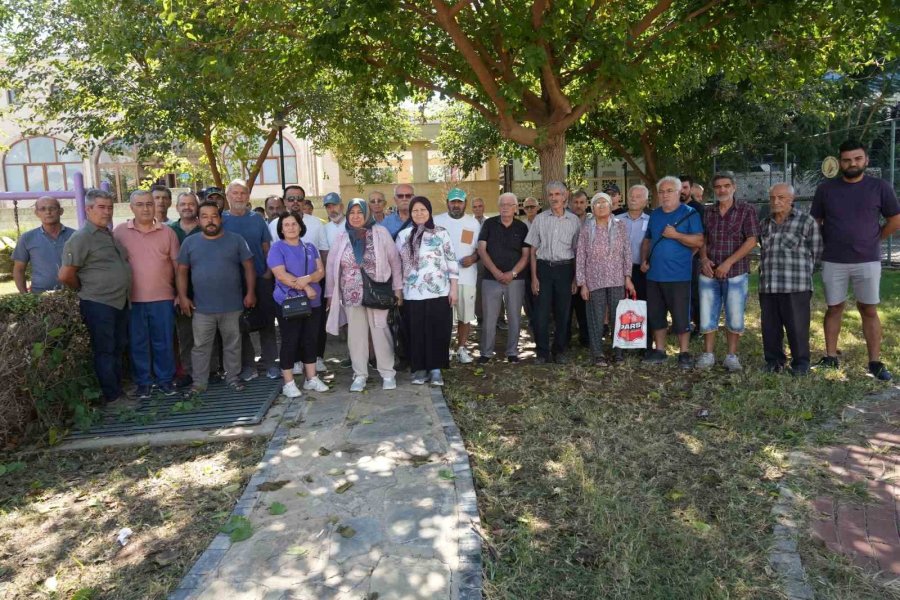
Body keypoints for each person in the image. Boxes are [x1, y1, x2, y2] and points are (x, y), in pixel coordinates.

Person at [811, 140, 900, 380]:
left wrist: (875, 239)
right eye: (847, 160)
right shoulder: (826, 189)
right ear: (840, 163)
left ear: (866, 160)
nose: (852, 163)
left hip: (867, 260)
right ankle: (830, 357)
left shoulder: (880, 187)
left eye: (857, 159)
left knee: (868, 309)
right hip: (833, 259)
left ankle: (875, 362)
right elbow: (815, 223)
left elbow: (895, 219)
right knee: (834, 307)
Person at [58, 189, 133, 407]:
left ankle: (118, 389)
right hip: (99, 303)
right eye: (101, 207)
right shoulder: (81, 238)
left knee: (118, 347)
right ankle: (113, 397)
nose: (107, 212)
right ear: (88, 209)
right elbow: (65, 275)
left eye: (110, 207)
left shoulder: (107, 233)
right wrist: (87, 289)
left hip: (119, 301)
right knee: (105, 350)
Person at [177, 201, 256, 394]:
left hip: (232, 305)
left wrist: (251, 292)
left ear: (220, 219)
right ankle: (199, 383)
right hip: (202, 308)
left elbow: (249, 267)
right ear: (198, 220)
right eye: (205, 216)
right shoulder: (190, 243)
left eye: (214, 216)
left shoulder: (236, 240)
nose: (210, 220)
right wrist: (183, 297)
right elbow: (181, 271)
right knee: (201, 347)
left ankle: (232, 377)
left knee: (233, 344)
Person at [325, 198, 402, 391]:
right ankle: (359, 375)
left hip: (377, 292)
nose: (356, 216)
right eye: (352, 213)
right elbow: (332, 266)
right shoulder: (342, 236)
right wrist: (330, 294)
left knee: (380, 331)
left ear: (366, 214)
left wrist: (398, 290)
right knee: (356, 336)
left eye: (360, 212)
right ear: (348, 215)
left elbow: (395, 262)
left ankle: (387, 373)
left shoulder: (380, 232)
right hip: (351, 293)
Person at [113, 190, 181, 398]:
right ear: (131, 208)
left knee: (164, 342)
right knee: (138, 343)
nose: (145, 208)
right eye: (140, 204)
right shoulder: (120, 232)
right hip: (132, 300)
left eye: (149, 204)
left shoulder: (167, 232)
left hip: (163, 298)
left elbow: (177, 266)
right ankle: (143, 383)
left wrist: (180, 293)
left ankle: (165, 381)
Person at [697, 172, 760, 371]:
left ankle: (732, 356)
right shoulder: (709, 212)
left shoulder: (746, 210)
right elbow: (703, 239)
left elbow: (751, 240)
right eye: (718, 187)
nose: (722, 190)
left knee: (734, 315)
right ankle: (708, 354)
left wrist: (728, 263)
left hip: (736, 272)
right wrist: (704, 258)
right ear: (714, 190)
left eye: (726, 185)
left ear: (734, 187)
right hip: (709, 272)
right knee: (707, 314)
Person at [759, 183, 823, 375]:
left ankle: (801, 364)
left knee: (797, 327)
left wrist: (804, 276)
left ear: (791, 200)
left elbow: (817, 252)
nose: (775, 201)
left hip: (796, 286)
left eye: (780, 197)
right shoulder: (765, 223)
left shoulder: (806, 222)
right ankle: (774, 362)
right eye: (772, 198)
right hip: (768, 286)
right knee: (770, 328)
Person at [640, 176, 704, 369]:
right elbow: (648, 240)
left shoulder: (690, 213)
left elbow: (699, 242)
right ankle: (660, 350)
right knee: (656, 314)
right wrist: (644, 259)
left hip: (678, 275)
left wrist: (676, 235)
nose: (665, 195)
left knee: (681, 315)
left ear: (679, 192)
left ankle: (684, 353)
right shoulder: (655, 214)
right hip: (654, 275)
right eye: (661, 191)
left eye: (669, 191)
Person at [397, 196, 458, 385]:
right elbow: (397, 265)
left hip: (439, 291)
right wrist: (398, 291)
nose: (419, 213)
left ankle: (436, 369)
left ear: (429, 212)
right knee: (416, 331)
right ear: (411, 213)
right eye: (415, 210)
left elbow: (451, 261)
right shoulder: (403, 235)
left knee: (437, 331)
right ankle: (420, 368)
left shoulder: (441, 233)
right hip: (412, 293)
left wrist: (453, 288)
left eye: (423, 210)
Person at [268, 211, 329, 397]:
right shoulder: (277, 248)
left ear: (300, 226)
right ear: (281, 229)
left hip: (313, 302)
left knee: (310, 339)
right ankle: (288, 382)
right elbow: (280, 274)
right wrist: (306, 288)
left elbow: (321, 271)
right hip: (289, 302)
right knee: (290, 340)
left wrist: (307, 279)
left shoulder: (310, 247)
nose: (291, 227)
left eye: (294, 224)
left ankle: (311, 378)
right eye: (286, 225)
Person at [222, 179, 278, 380]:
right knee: (239, 325)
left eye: (243, 193)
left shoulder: (257, 219)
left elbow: (266, 247)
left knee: (267, 322)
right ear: (228, 196)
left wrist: (268, 273)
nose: (239, 197)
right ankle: (248, 366)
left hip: (261, 278)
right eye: (235, 193)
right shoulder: (221, 220)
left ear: (248, 196)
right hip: (233, 282)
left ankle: (271, 363)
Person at [524, 180, 581, 364]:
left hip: (565, 269)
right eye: (551, 195)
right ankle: (542, 352)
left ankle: (560, 350)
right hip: (543, 269)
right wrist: (534, 277)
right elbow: (532, 251)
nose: (554, 198)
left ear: (565, 196)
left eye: (558, 194)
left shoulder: (574, 221)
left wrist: (575, 278)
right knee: (540, 313)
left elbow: (577, 252)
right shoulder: (540, 219)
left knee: (563, 313)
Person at [576, 193, 635, 366]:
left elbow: (627, 253)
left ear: (611, 206)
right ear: (592, 208)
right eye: (597, 203)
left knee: (618, 317)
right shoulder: (587, 228)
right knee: (596, 317)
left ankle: (619, 353)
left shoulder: (620, 226)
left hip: (617, 279)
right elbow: (580, 256)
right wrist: (583, 284)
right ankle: (598, 354)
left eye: (604, 203)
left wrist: (628, 277)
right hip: (594, 280)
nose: (601, 206)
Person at [478, 192, 529, 363]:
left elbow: (526, 255)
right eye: (502, 204)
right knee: (489, 318)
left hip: (516, 279)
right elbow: (481, 250)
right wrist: (496, 272)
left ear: (515, 208)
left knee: (514, 317)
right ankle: (486, 353)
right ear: (498, 207)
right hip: (491, 279)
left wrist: (512, 273)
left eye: (509, 204)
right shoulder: (489, 224)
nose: (505, 207)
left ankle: (512, 352)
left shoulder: (522, 227)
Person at [434, 188, 480, 364]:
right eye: (453, 201)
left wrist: (473, 258)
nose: (456, 205)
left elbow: (478, 250)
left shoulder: (473, 223)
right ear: (447, 203)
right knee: (443, 317)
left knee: (465, 316)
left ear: (465, 204)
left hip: (467, 278)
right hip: (442, 280)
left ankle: (461, 348)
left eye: (459, 202)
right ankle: (444, 349)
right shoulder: (437, 221)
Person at [168, 191, 209, 388]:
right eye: (183, 204)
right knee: (185, 334)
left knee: (208, 334)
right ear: (177, 207)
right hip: (180, 291)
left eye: (191, 204)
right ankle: (188, 372)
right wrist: (179, 293)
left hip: (205, 290)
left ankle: (211, 370)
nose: (187, 207)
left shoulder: (207, 229)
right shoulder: (169, 230)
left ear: (197, 207)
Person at [12, 196, 75, 294]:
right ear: (37, 213)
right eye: (43, 209)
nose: (48, 212)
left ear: (61, 211)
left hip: (73, 293)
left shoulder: (75, 236)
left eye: (52, 208)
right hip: (39, 296)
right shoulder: (27, 238)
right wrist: (25, 295)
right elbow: (19, 269)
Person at [680, 175, 706, 336]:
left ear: (690, 189)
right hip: (676, 260)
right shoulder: (674, 208)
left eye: (685, 187)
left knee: (694, 293)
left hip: (692, 258)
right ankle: (683, 324)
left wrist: (689, 256)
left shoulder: (698, 208)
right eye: (679, 188)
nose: (682, 191)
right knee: (681, 293)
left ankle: (699, 326)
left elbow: (701, 237)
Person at [567, 189, 591, 348]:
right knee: (566, 307)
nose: (578, 205)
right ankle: (565, 339)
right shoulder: (565, 220)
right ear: (570, 204)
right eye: (575, 202)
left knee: (585, 308)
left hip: (588, 271)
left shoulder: (593, 221)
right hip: (567, 268)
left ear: (587, 204)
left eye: (582, 202)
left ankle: (586, 339)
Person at [620, 185, 651, 300]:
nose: (633, 199)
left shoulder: (651, 221)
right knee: (621, 306)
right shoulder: (616, 220)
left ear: (645, 202)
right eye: (631, 196)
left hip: (642, 270)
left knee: (641, 305)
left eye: (638, 196)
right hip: (619, 270)